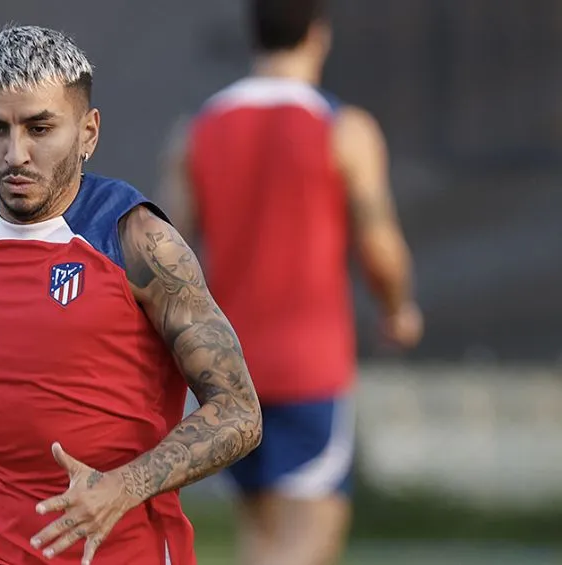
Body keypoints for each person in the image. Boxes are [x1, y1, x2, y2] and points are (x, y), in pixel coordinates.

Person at [0, 25, 263, 565]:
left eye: (40, 128)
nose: (16, 153)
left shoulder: (138, 241)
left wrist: (124, 487)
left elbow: (239, 411)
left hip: (115, 552)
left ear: (88, 132)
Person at [158, 1, 424, 564]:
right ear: (319, 35)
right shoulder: (344, 129)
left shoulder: (196, 131)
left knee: (261, 540)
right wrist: (398, 309)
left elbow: (164, 255)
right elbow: (380, 248)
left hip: (222, 371)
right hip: (310, 370)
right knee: (306, 546)